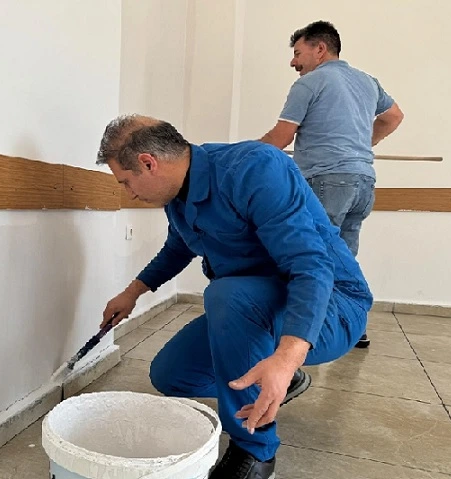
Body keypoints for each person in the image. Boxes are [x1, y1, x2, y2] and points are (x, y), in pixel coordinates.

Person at [98, 114, 372, 478]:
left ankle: (255, 452)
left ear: (149, 163)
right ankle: (271, 380)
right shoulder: (177, 198)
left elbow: (311, 266)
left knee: (226, 293)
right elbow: (178, 248)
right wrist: (131, 293)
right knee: (171, 375)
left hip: (332, 306)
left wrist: (287, 358)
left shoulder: (255, 169)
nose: (129, 192)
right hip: (254, 306)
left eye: (126, 181)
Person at [259, 20, 404, 349]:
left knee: (310, 255)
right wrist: (361, 146)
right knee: (343, 258)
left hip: (327, 181)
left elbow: (281, 137)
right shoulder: (367, 81)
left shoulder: (309, 83)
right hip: (363, 182)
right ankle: (352, 327)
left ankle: (302, 333)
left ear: (320, 49)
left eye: (298, 53)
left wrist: (241, 156)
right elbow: (394, 116)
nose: (293, 62)